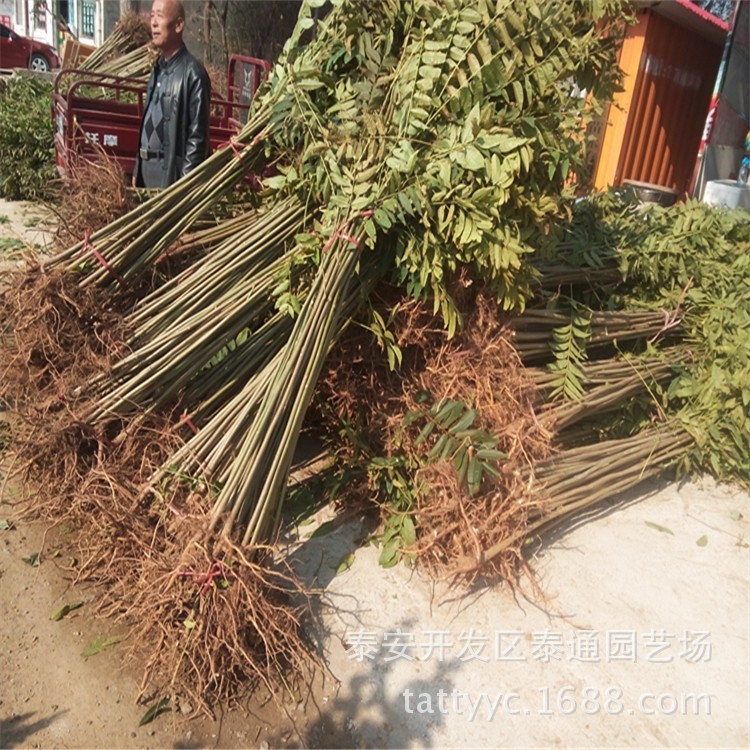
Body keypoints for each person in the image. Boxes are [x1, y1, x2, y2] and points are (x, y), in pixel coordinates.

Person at [133, 0, 211, 188]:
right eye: (152, 16)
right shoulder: (157, 69)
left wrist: (182, 188)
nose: (153, 23)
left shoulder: (193, 74)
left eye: (159, 16)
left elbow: (197, 139)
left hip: (170, 178)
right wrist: (137, 168)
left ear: (178, 25)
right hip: (147, 173)